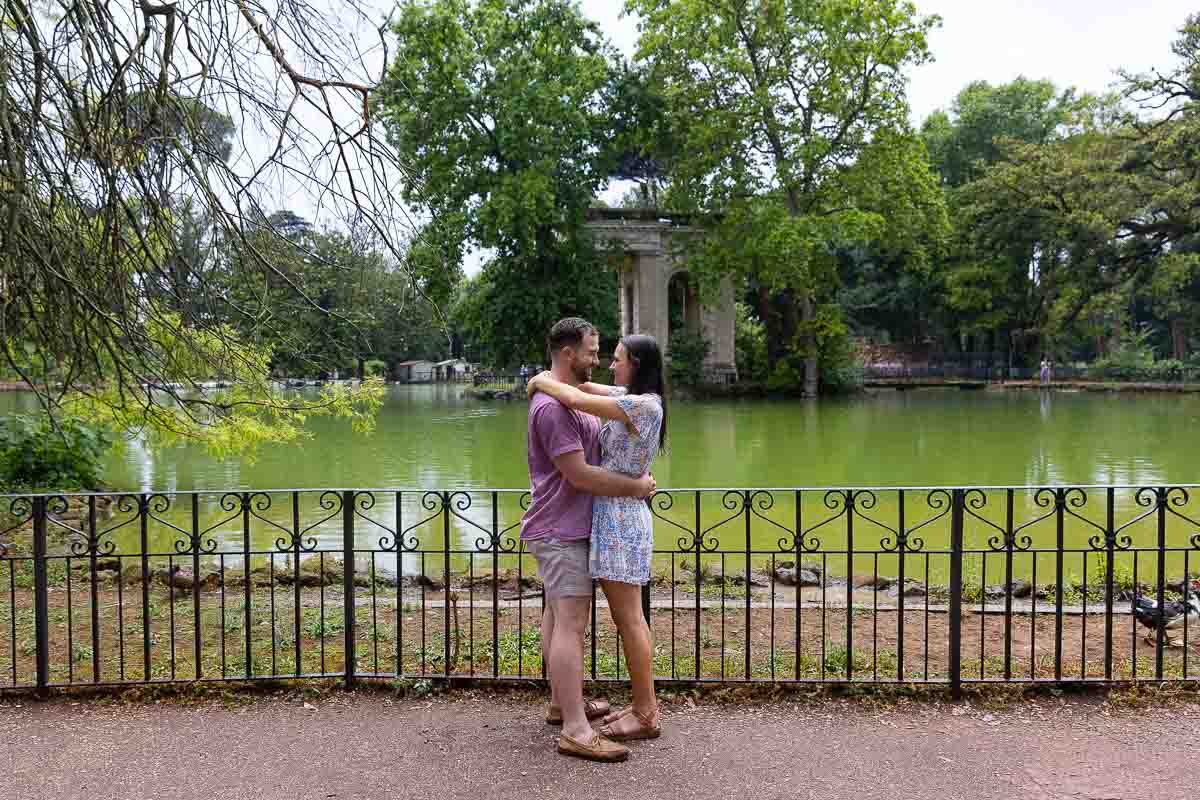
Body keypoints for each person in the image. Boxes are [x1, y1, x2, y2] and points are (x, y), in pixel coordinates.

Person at [521, 317, 655, 763]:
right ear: (568, 354)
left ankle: (565, 704)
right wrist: (636, 487)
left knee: (559, 617)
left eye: (607, 355)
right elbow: (577, 474)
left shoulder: (584, 399)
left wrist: (541, 380)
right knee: (571, 623)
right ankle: (577, 730)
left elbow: (585, 397)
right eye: (593, 353)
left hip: (578, 525)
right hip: (560, 527)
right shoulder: (552, 409)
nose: (599, 361)